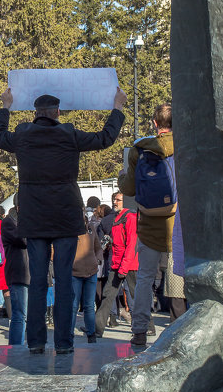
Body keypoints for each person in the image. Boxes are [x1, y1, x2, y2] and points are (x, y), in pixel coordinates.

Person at [0, 86, 127, 355]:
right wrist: (118, 108)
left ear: (35, 114)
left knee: (38, 281)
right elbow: (105, 138)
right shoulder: (69, 134)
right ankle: (64, 342)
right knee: (64, 280)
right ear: (57, 113)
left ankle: (37, 342)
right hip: (65, 215)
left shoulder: (23, 135)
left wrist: (5, 106)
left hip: (34, 216)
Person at [118, 102, 176, 347]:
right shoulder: (185, 144)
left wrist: (122, 177)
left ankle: (140, 329)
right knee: (187, 277)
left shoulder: (138, 150)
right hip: (180, 224)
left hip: (148, 225)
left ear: (154, 123)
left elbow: (128, 188)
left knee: (144, 278)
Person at [94, 196, 138, 337]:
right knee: (107, 296)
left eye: (118, 200)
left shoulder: (130, 217)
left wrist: (124, 267)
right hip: (117, 263)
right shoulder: (117, 218)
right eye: (114, 199)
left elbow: (131, 245)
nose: (114, 202)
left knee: (135, 297)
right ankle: (97, 329)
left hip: (128, 264)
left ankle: (144, 327)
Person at [1, 194, 30, 345]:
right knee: (20, 314)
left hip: (30, 274)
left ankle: (28, 344)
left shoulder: (22, 221)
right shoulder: (8, 222)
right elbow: (23, 240)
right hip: (18, 274)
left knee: (29, 314)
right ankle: (16, 347)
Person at [72, 214, 103, 343]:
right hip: (75, 272)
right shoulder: (70, 230)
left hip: (91, 270)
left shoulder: (90, 228)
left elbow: (97, 247)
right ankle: (69, 334)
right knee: (73, 305)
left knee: (89, 305)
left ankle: (91, 334)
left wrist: (97, 259)